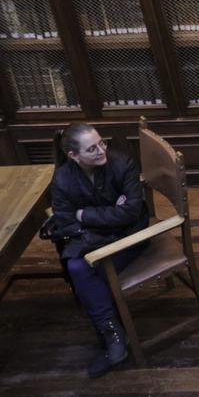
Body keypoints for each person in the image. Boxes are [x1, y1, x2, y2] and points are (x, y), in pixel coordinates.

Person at [46, 123, 151, 379]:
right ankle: (112, 330)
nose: (101, 151)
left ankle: (112, 334)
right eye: (91, 149)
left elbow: (131, 212)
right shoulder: (62, 179)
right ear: (74, 156)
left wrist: (84, 214)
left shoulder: (121, 164)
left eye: (101, 143)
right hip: (91, 240)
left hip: (129, 236)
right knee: (77, 266)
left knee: (86, 273)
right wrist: (108, 215)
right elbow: (65, 220)